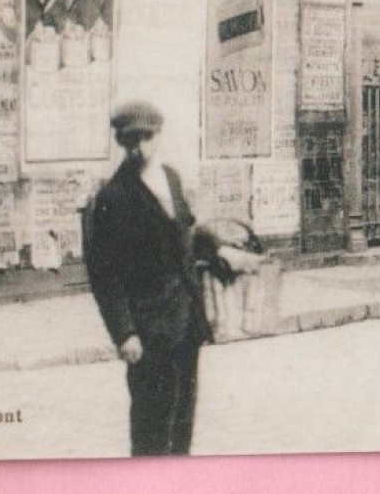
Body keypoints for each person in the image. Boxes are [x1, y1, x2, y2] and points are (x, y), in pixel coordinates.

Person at [86, 99, 262, 456]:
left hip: (185, 321)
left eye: (146, 137)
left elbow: (187, 232)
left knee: (183, 421)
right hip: (148, 330)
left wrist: (219, 250)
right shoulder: (113, 197)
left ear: (158, 135)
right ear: (121, 142)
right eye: (130, 140)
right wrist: (125, 332)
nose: (139, 147)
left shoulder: (170, 178)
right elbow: (105, 274)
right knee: (151, 424)